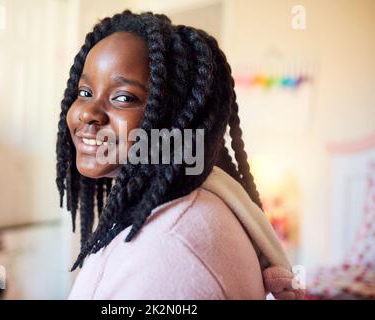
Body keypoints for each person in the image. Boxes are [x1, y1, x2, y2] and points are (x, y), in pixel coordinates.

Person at [56, 10, 304, 300]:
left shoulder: (169, 247)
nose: (87, 112)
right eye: (84, 92)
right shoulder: (167, 207)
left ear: (172, 116)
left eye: (123, 97)